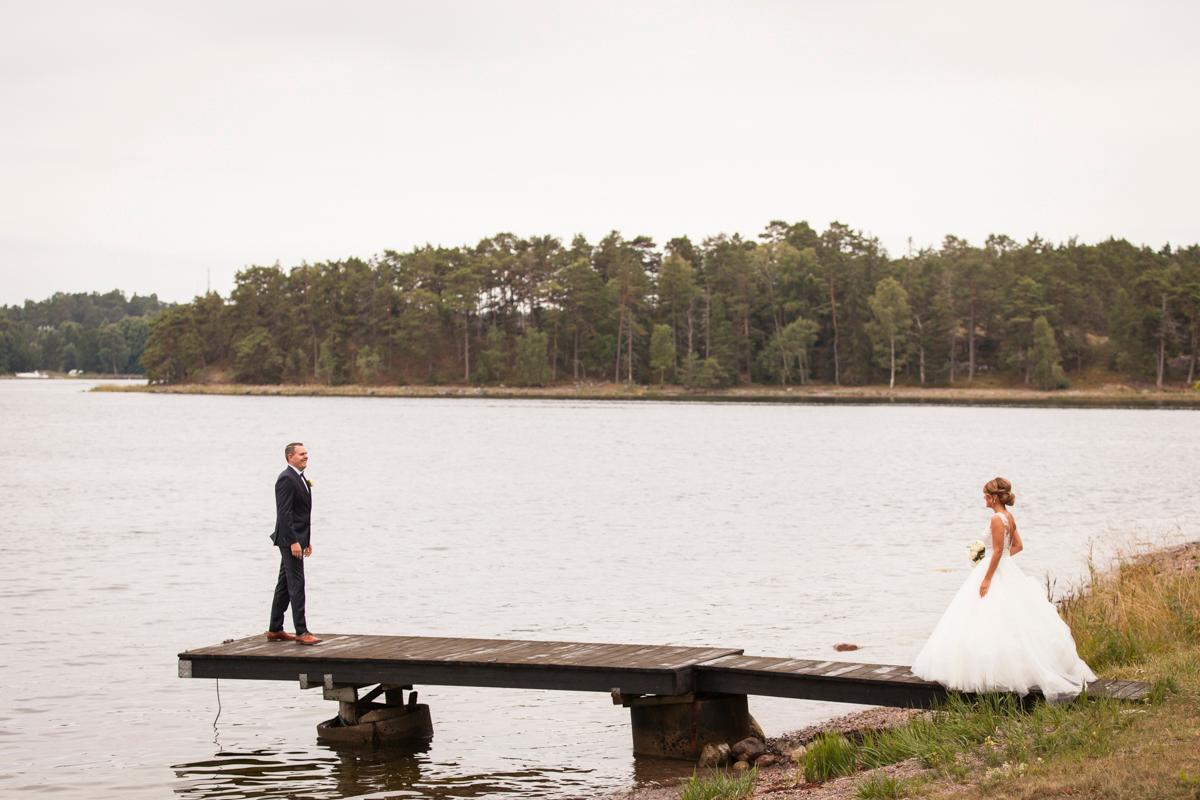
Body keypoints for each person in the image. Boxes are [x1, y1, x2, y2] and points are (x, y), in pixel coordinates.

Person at [911, 477, 1095, 702]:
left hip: (995, 570)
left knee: (986, 619)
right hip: (1006, 568)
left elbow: (998, 551)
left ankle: (991, 676)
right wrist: (998, 560)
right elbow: (1017, 546)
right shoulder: (1009, 517)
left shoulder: (997, 519)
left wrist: (987, 576)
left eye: (987, 496)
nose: (984, 499)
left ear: (995, 497)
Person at [266, 442, 321, 645]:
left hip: (298, 538)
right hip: (289, 540)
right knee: (297, 583)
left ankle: (275, 628)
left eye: (307, 453)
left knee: (285, 584)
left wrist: (306, 541)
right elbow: (284, 513)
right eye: (301, 454)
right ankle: (302, 631)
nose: (306, 456)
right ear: (290, 457)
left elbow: (302, 514)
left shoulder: (300, 478)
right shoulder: (286, 479)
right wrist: (293, 542)